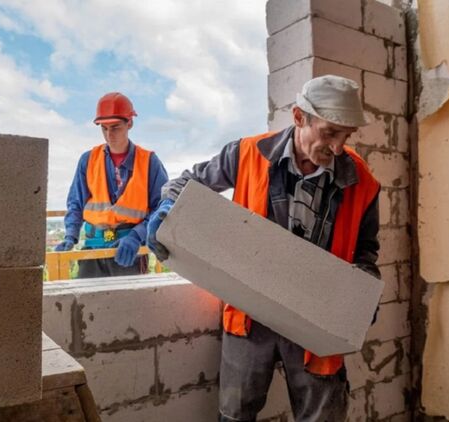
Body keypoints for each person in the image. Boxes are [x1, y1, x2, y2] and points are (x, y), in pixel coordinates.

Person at [146, 75, 381, 421]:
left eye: (346, 136)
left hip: (316, 321)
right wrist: (168, 207)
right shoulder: (246, 153)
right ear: (299, 117)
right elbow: (185, 182)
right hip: (250, 315)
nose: (337, 147)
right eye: (330, 132)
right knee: (235, 414)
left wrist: (363, 293)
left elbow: (366, 253)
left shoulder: (363, 182)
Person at [54, 92, 169, 278]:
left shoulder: (149, 162)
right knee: (85, 297)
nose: (109, 135)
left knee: (129, 298)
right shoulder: (88, 160)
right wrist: (70, 236)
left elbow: (162, 207)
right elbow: (76, 203)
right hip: (93, 250)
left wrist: (136, 236)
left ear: (129, 123)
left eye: (115, 127)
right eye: (104, 128)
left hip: (129, 252)